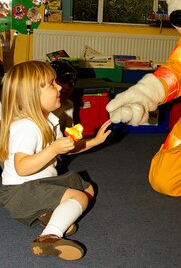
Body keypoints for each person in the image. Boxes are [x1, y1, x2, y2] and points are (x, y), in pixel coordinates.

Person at [0, 61, 112, 261]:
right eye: (52, 84)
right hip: (19, 192)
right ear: (33, 95)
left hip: (38, 184)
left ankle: (50, 215)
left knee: (86, 188)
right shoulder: (27, 127)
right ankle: (48, 237)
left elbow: (66, 148)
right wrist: (53, 149)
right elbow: (22, 167)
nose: (60, 86)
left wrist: (94, 141)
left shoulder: (50, 119)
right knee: (80, 199)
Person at [50, 60, 78, 133]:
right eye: (62, 81)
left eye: (71, 83)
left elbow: (69, 133)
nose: (67, 87)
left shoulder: (68, 105)